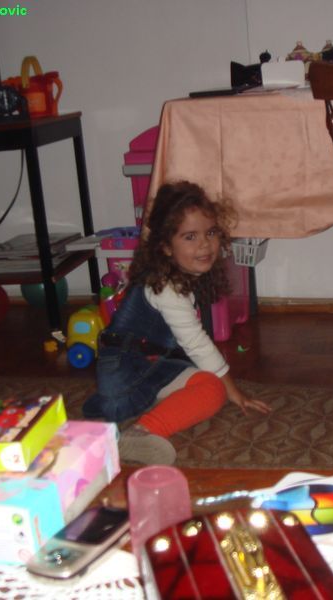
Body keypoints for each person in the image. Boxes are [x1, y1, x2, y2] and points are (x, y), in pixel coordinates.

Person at [83, 180, 271, 465]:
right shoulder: (165, 286)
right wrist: (234, 392)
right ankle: (140, 433)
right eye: (190, 236)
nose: (204, 244)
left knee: (206, 380)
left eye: (210, 232)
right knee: (214, 388)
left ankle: (124, 407)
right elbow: (196, 343)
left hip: (149, 365)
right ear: (166, 247)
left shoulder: (179, 275)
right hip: (128, 372)